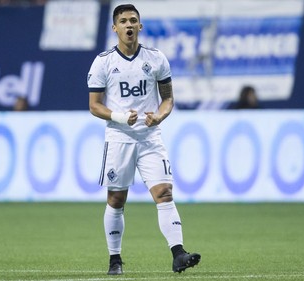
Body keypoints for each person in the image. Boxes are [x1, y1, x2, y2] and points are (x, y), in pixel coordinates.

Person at [87, 4, 201, 275]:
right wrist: (117, 115)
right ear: (114, 28)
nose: (129, 25)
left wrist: (159, 117)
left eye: (133, 21)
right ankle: (115, 259)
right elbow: (94, 105)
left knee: (164, 193)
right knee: (116, 199)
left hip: (150, 138)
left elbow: (168, 99)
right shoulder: (103, 62)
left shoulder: (156, 59)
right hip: (119, 137)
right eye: (123, 21)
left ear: (140, 26)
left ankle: (178, 253)